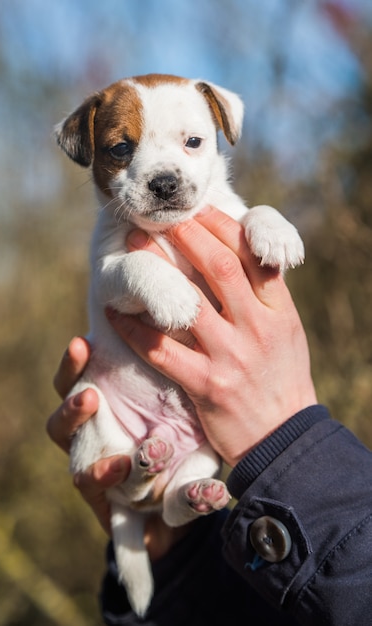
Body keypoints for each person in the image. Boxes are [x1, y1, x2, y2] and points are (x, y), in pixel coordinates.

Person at [47, 206, 372, 626]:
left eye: (192, 141)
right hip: (135, 432)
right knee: (100, 417)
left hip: (188, 451)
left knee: (199, 462)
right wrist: (179, 554)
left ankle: (175, 499)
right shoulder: (119, 227)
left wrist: (289, 439)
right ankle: (166, 501)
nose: (164, 172)